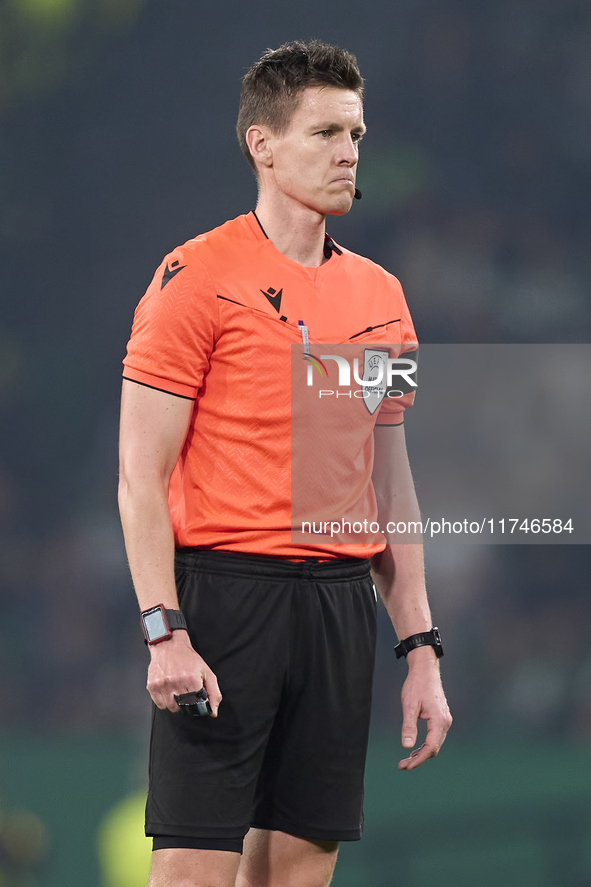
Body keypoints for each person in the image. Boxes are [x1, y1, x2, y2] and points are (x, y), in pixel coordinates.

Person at [118, 39, 452, 887]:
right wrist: (166, 631)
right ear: (261, 145)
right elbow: (138, 475)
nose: (348, 152)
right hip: (226, 600)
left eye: (357, 133)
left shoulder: (382, 296)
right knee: (194, 873)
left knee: (299, 875)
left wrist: (418, 645)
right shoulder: (193, 276)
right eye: (325, 132)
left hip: (339, 609)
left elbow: (390, 481)